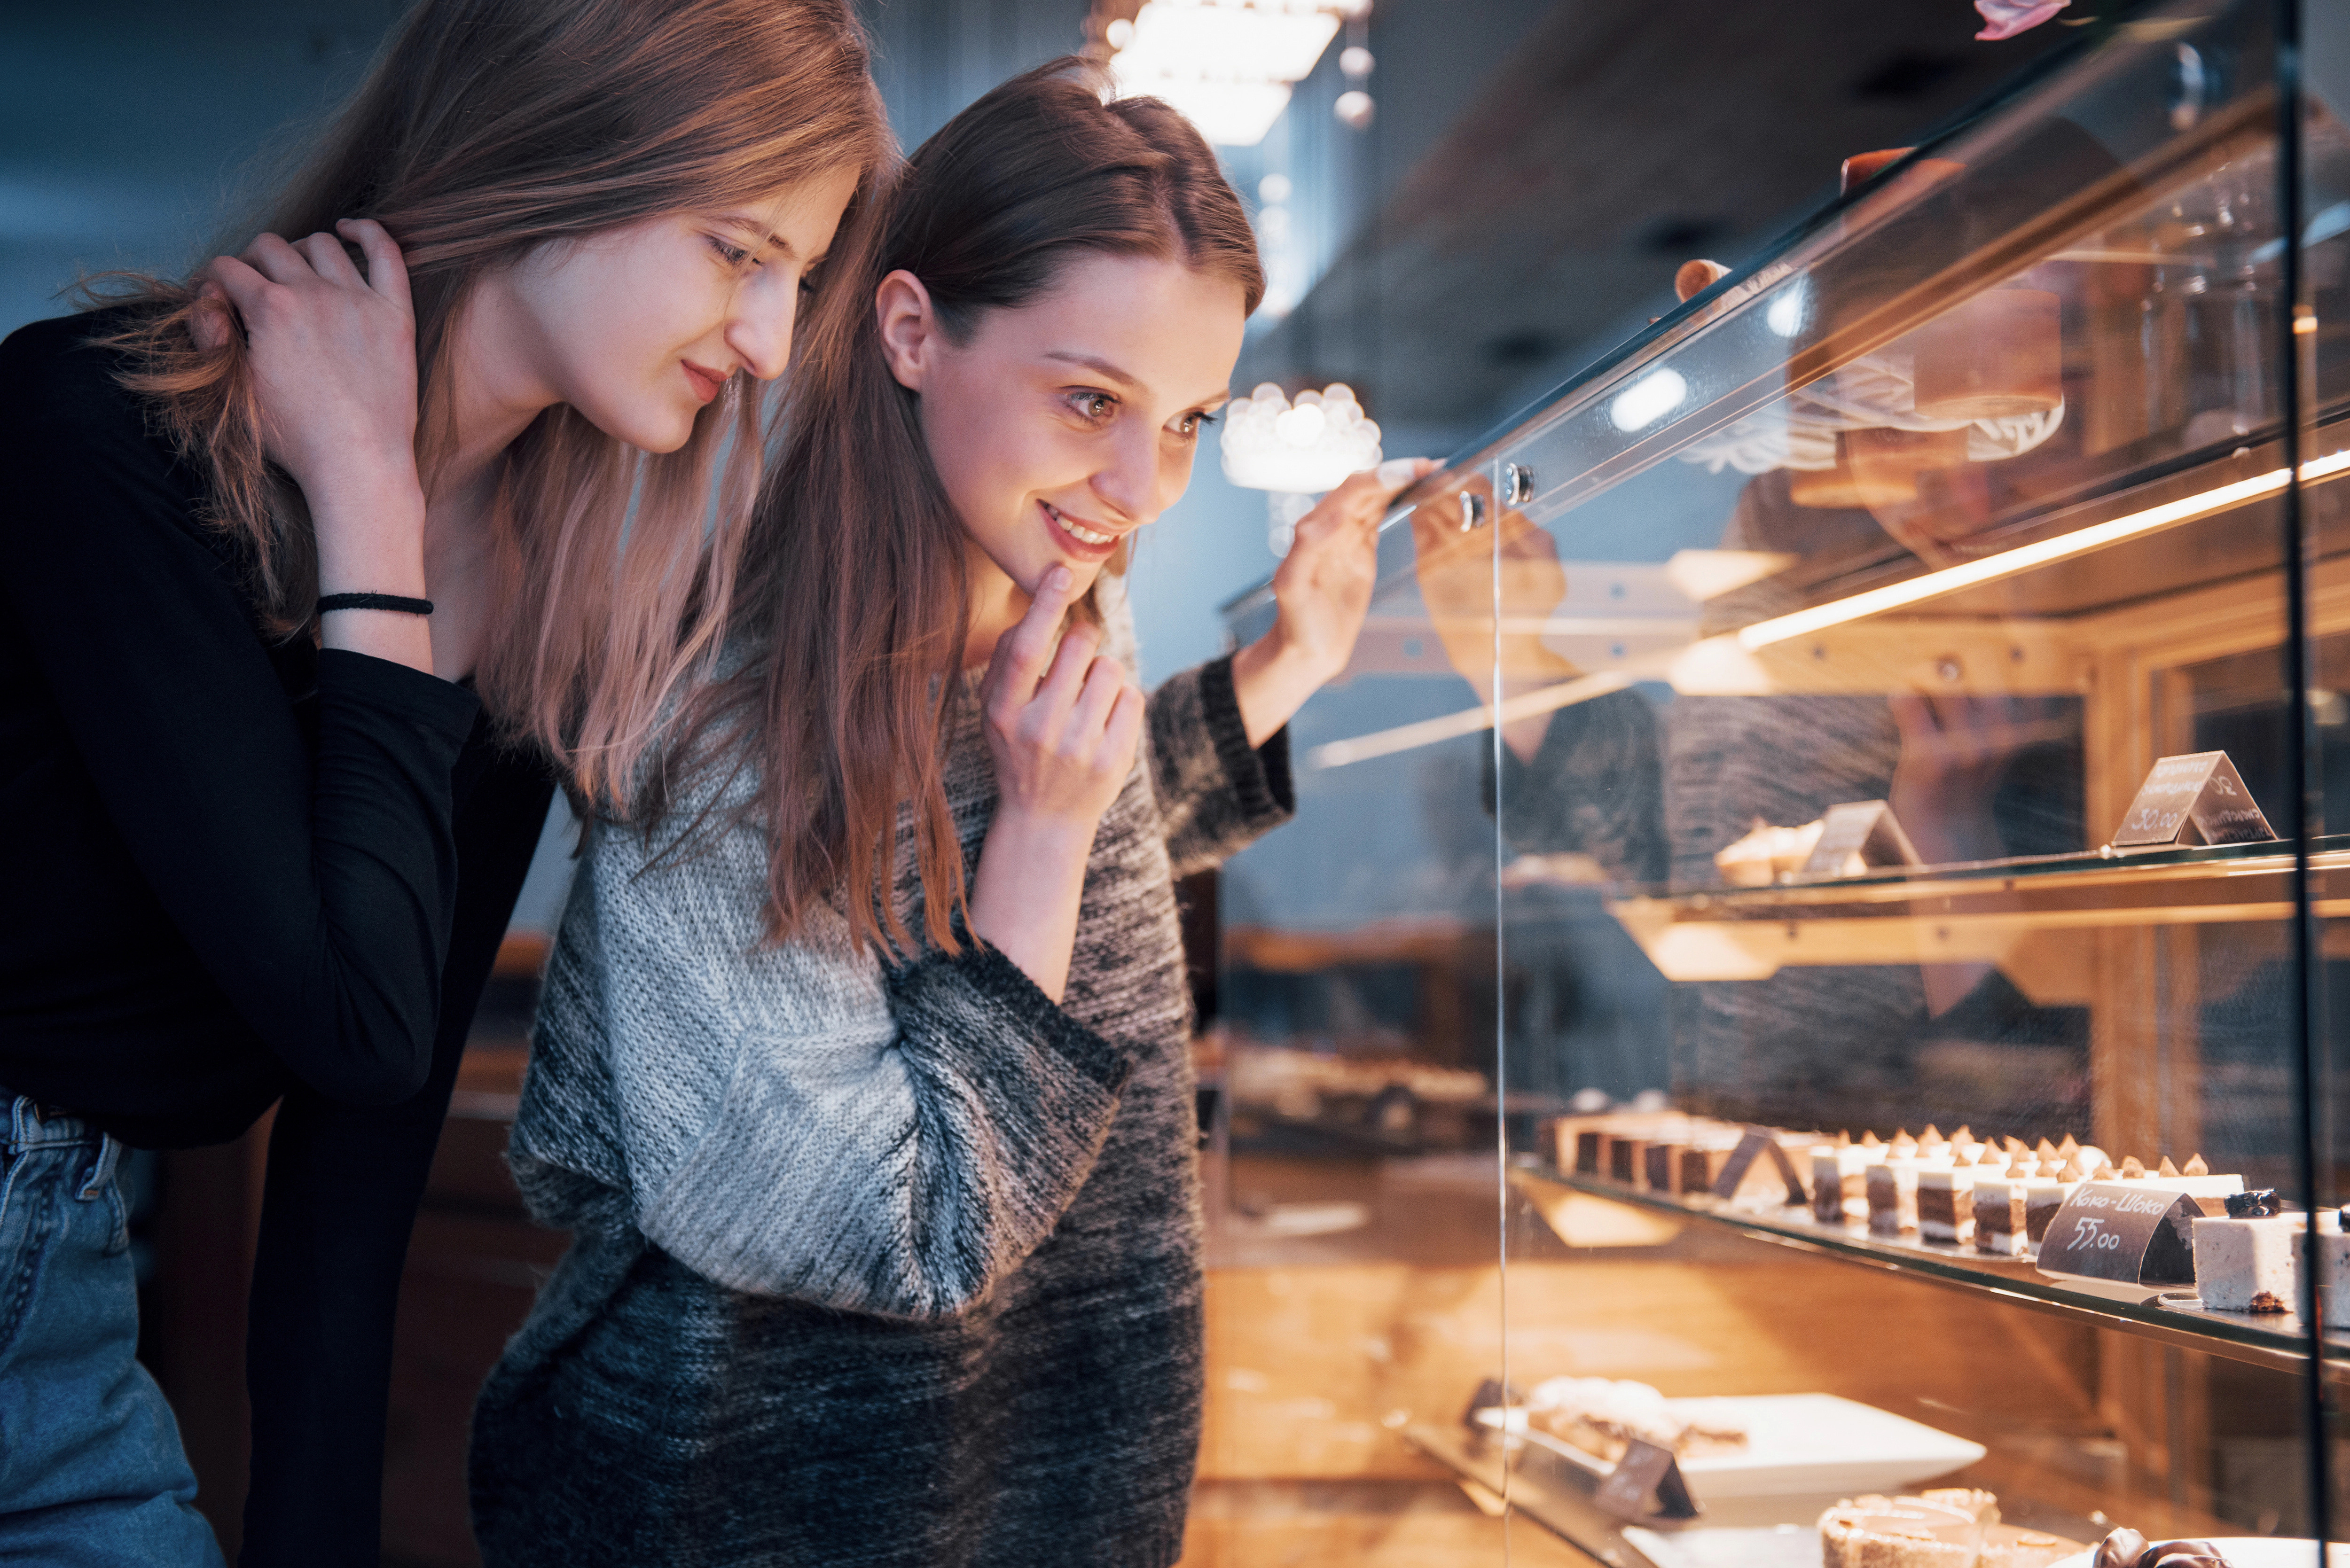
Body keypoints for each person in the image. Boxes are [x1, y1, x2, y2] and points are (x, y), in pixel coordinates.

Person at [466, 60, 1433, 1568]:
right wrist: (1048, 828)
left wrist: (1284, 662)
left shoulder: (1052, 625)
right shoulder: (717, 737)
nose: (1139, 482)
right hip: (748, 1515)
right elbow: (899, 1227)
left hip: (1042, 1503)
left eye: (1184, 419)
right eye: (1091, 399)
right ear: (910, 331)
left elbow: (993, 868)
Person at [0, 1, 887, 1562]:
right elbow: (338, 1005)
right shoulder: (95, 431)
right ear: (564, 148)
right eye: (739, 249)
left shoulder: (533, 618)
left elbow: (366, 1125)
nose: (764, 342)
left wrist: (375, 519)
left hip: (51, 1289)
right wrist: (366, 497)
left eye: (795, 282)